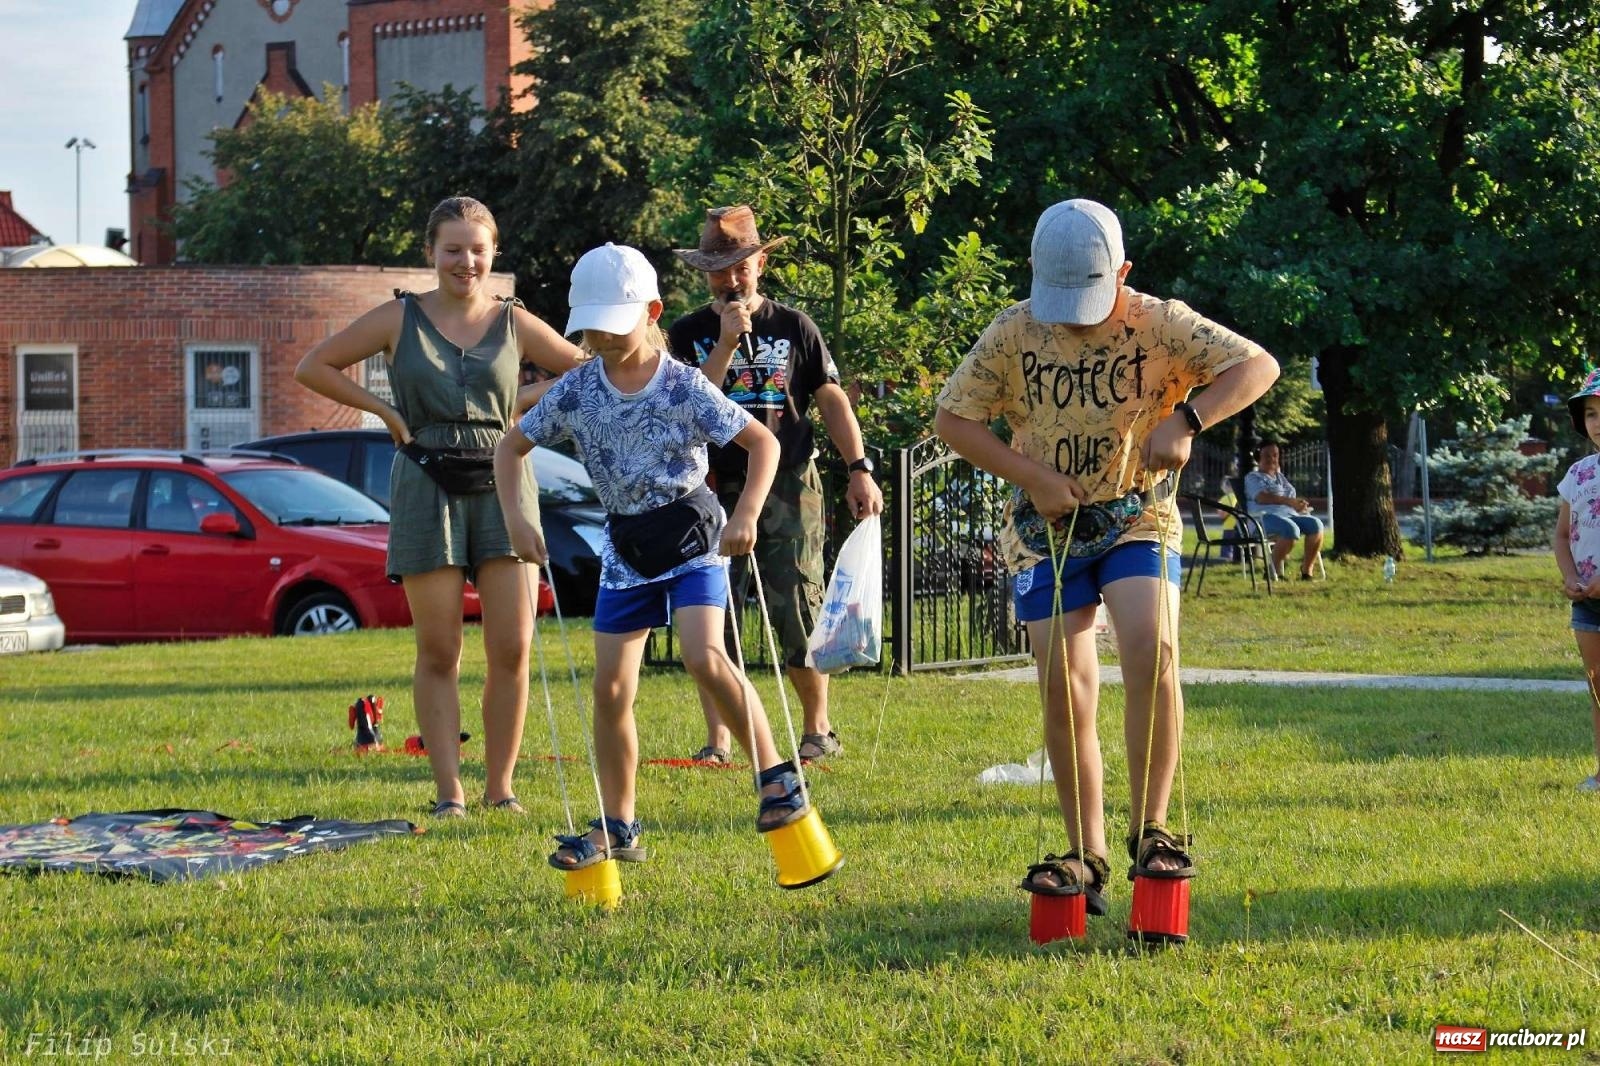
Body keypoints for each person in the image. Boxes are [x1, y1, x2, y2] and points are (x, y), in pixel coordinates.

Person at [933, 197, 1279, 912]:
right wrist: (1031, 476)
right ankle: (1084, 852)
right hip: (1044, 528)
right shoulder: (1012, 331)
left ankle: (1152, 830)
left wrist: (1188, 419)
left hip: (1136, 514)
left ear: (1123, 272)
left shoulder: (1162, 321)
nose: (1072, 318)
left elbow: (1258, 366)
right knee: (1065, 679)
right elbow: (953, 420)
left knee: (1152, 647)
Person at [494, 243, 812, 868]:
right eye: (591, 329)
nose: (603, 340)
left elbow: (763, 446)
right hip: (626, 549)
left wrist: (746, 514)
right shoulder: (576, 390)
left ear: (652, 312)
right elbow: (511, 448)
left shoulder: (684, 386)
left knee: (703, 654)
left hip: (693, 537)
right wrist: (517, 519)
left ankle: (777, 776)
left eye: (615, 325)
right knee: (610, 688)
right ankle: (618, 825)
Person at [295, 196, 583, 818]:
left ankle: (500, 788)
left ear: (493, 253)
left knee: (513, 647)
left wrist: (522, 401)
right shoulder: (398, 317)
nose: (465, 262)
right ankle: (450, 792)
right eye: (453, 249)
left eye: (478, 250)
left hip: (505, 483)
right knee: (438, 649)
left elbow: (587, 373)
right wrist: (384, 411)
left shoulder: (514, 321)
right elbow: (313, 366)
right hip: (425, 484)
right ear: (431, 252)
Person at [668, 205, 884, 765]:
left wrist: (858, 467)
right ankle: (719, 739)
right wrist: (723, 343)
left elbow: (830, 399)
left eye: (741, 266)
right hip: (715, 486)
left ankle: (817, 729)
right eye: (719, 269)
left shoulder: (795, 327)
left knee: (797, 603)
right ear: (704, 273)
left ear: (761, 264)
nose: (731, 279)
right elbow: (689, 408)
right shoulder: (687, 334)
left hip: (790, 483)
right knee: (713, 611)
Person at [1553, 368, 1600, 793]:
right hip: (1588, 602)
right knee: (1598, 687)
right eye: (1591, 413)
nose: (1597, 422)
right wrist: (1570, 576)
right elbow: (1562, 535)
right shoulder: (1579, 474)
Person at [1244, 442, 1324, 580]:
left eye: (1275, 455)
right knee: (1290, 529)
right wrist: (1289, 501)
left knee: (1316, 525)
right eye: (1267, 455)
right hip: (1263, 518)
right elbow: (1262, 498)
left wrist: (1298, 504)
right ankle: (1271, 571)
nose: (1272, 459)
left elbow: (1290, 499)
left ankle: (1307, 570)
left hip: (1288, 515)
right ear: (1258, 458)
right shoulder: (1253, 477)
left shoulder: (1280, 477)